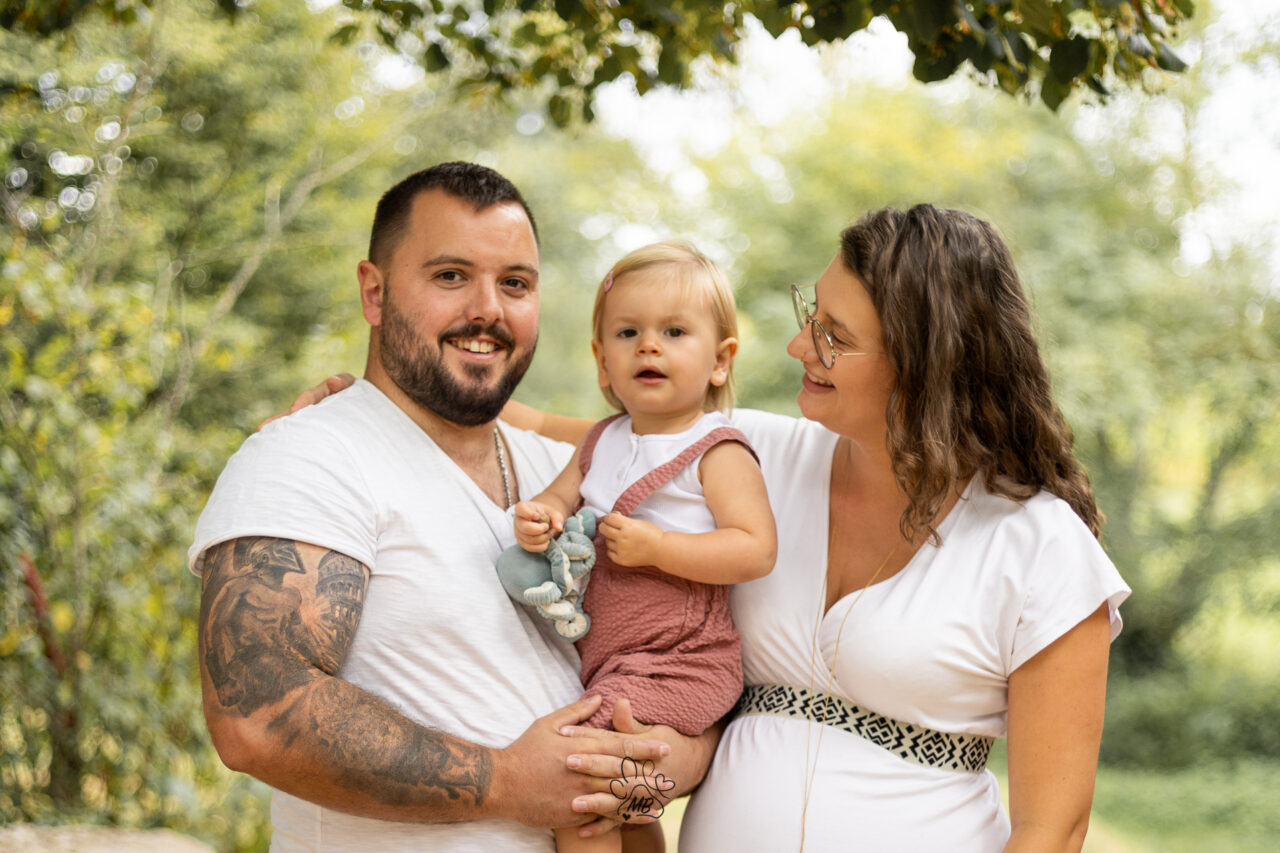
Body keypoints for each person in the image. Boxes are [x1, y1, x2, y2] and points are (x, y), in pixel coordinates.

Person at [289, 204, 1130, 852]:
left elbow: (1050, 830)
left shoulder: (1041, 547)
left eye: (834, 336)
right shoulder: (744, 457)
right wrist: (373, 410)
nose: (799, 345)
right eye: (811, 313)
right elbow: (562, 434)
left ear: (926, 360)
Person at [190, 162, 715, 853]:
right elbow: (257, 716)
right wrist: (506, 781)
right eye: (450, 276)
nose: (488, 309)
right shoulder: (311, 456)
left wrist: (666, 767)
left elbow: (686, 663)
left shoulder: (576, 475)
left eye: (515, 283)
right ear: (374, 292)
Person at [510, 241, 777, 853]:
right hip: (613, 660)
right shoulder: (602, 440)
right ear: (603, 362)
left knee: (579, 774)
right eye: (628, 332)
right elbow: (556, 500)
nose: (648, 346)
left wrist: (660, 548)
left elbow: (755, 549)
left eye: (674, 332)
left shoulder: (717, 450)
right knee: (629, 796)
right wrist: (539, 521)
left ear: (720, 360)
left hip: (682, 657)